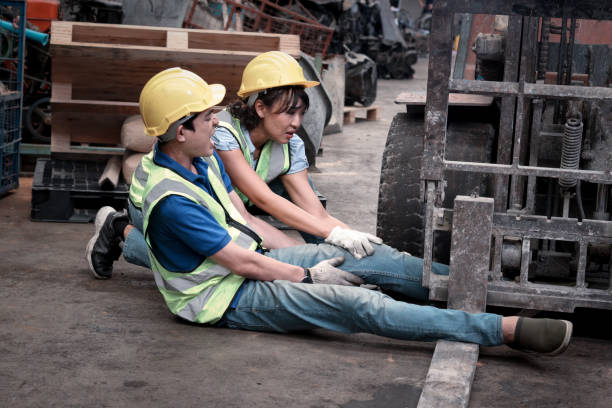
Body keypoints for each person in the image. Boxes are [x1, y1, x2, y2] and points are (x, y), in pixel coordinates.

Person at [88, 66, 573, 356]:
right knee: (358, 306)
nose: (217, 120)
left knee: (376, 263)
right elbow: (245, 261)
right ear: (179, 130)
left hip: (241, 255)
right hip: (222, 296)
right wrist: (308, 277)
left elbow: (250, 220)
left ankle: (491, 289)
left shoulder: (202, 156)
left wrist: (328, 244)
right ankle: (502, 330)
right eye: (207, 116)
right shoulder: (174, 196)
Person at [85, 51, 383, 279]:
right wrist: (305, 263)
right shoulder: (222, 133)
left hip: (222, 205)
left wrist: (349, 239)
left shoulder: (289, 141)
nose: (297, 123)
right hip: (154, 201)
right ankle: (119, 228)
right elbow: (260, 199)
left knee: (256, 248)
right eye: (288, 112)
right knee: (200, 262)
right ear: (260, 107)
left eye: (301, 112)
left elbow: (313, 211)